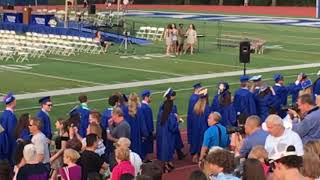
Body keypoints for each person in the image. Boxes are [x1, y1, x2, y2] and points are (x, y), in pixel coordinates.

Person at [156, 91, 179, 173]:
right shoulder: (170, 115)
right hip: (168, 136)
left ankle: (167, 163)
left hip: (162, 135)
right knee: (168, 150)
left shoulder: (161, 113)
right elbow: (173, 128)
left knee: (164, 150)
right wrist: (178, 121)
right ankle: (166, 166)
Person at [123, 93, 148, 159]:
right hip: (137, 135)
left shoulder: (124, 109)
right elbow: (142, 124)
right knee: (137, 155)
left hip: (127, 135)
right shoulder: (139, 110)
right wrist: (145, 134)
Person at [189, 88, 209, 163]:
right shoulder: (206, 108)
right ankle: (202, 157)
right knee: (203, 142)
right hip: (204, 127)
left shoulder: (195, 107)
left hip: (196, 127)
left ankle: (195, 155)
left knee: (196, 141)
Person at [0, 92, 17, 163]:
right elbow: (12, 135)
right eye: (15, 101)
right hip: (10, 149)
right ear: (12, 102)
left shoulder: (4, 114)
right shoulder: (11, 117)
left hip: (4, 147)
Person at [140, 90, 154, 162]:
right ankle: (145, 159)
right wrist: (150, 130)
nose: (151, 98)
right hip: (147, 130)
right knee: (146, 145)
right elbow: (148, 121)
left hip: (143, 130)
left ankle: (146, 158)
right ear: (146, 97)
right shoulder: (146, 108)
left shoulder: (141, 106)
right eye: (150, 97)